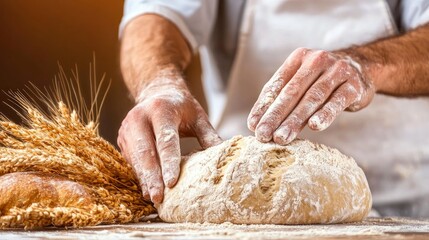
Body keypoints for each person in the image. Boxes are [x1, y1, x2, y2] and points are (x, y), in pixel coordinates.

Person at [118, 0, 429, 217]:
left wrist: (366, 65)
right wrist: (157, 84)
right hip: (237, 196)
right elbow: (154, 15)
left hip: (413, 200)